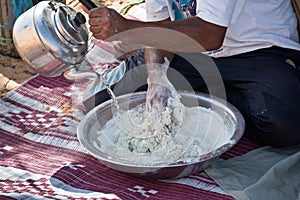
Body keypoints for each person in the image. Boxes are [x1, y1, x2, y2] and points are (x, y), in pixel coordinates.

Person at [83, 0, 300, 147]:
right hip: (191, 51)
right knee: (101, 105)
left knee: (283, 125)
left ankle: (207, 97)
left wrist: (127, 28)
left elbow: (210, 33)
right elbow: (160, 26)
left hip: (258, 50)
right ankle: (208, 95)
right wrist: (157, 78)